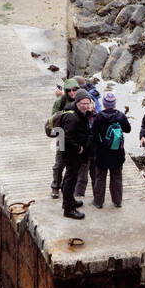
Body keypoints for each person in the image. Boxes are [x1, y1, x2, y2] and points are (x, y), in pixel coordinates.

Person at [54, 90, 95, 219]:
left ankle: (69, 201)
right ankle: (68, 209)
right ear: (77, 102)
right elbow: (67, 137)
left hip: (73, 152)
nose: (86, 106)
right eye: (83, 103)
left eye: (87, 103)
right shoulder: (71, 117)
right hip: (71, 153)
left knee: (69, 178)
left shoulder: (79, 112)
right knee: (70, 180)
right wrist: (78, 149)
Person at [89, 91, 131, 208]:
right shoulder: (120, 116)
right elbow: (128, 129)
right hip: (117, 153)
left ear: (103, 104)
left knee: (100, 178)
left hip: (102, 153)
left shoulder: (98, 117)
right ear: (114, 104)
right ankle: (117, 201)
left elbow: (93, 134)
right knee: (116, 178)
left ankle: (98, 202)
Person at [46, 77, 80, 198]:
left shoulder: (81, 100)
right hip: (62, 136)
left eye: (75, 89)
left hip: (76, 137)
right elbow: (53, 119)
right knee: (59, 164)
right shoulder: (60, 101)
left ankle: (67, 187)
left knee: (74, 165)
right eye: (69, 90)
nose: (72, 92)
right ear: (65, 90)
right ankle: (55, 186)